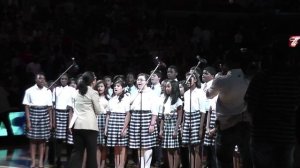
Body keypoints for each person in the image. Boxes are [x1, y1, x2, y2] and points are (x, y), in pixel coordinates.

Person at [246, 42, 300, 168]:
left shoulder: (260, 78)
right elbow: (296, 106)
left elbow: (250, 105)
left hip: (262, 135)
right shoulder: (294, 80)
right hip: (286, 135)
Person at [206, 48, 252, 168]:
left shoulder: (221, 79)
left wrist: (219, 75)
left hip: (226, 126)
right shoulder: (248, 78)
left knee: (224, 162)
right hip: (244, 124)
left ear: (226, 64)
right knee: (247, 160)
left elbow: (208, 95)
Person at [68, 71, 103, 168]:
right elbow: (98, 111)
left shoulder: (77, 91)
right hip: (90, 126)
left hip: (77, 125)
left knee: (77, 153)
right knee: (91, 154)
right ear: (92, 81)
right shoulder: (93, 92)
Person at [22, 72, 53, 168]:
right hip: (33, 114)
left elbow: (50, 108)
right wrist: (28, 121)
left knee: (42, 141)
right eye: (40, 78)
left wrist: (51, 121)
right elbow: (26, 106)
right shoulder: (29, 91)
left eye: (43, 78)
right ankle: (33, 162)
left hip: (44, 115)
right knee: (33, 141)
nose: (42, 80)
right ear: (36, 80)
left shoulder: (48, 91)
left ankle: (40, 162)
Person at [129, 73, 159, 168]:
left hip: (147, 118)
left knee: (147, 145)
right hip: (136, 119)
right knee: (139, 145)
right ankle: (142, 165)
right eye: (138, 80)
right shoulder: (135, 93)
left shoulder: (151, 93)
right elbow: (130, 105)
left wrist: (152, 124)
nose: (139, 81)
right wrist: (137, 93)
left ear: (147, 81)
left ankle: (147, 166)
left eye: (141, 80)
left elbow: (155, 110)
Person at [182, 71, 206, 168]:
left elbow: (203, 111)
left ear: (195, 80)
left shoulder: (200, 92)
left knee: (196, 148)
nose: (187, 81)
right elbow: (185, 110)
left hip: (196, 118)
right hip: (187, 118)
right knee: (189, 147)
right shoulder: (186, 93)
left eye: (190, 78)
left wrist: (200, 128)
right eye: (186, 79)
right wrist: (183, 124)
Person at [105, 79, 131, 168]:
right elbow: (108, 114)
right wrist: (106, 128)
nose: (116, 87)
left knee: (122, 147)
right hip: (112, 124)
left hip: (121, 123)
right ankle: (116, 165)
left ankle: (121, 166)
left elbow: (128, 114)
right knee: (115, 147)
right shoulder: (111, 99)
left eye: (118, 86)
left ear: (123, 88)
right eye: (115, 86)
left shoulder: (126, 98)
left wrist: (125, 128)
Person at [52, 73, 76, 167]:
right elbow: (53, 106)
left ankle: (69, 159)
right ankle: (58, 159)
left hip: (68, 114)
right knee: (59, 139)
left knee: (69, 139)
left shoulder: (72, 89)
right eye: (61, 79)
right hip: (58, 113)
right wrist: (53, 120)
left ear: (68, 80)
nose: (63, 80)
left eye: (65, 79)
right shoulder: (56, 89)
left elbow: (74, 102)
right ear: (59, 80)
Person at [159, 80, 183, 168]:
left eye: (169, 86)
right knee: (168, 149)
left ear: (174, 88)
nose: (167, 88)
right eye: (166, 87)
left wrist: (176, 130)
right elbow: (162, 116)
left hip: (174, 125)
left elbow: (179, 117)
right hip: (166, 126)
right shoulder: (165, 100)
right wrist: (161, 129)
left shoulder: (178, 100)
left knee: (175, 150)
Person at [201, 66, 218, 168]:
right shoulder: (204, 85)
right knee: (208, 147)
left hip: (214, 117)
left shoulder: (214, 88)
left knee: (214, 149)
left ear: (213, 76)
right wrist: (207, 127)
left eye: (206, 73)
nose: (203, 75)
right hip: (207, 115)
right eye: (203, 73)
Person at [94, 80, 109, 168]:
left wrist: (106, 127)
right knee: (97, 145)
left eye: (102, 86)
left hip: (104, 120)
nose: (100, 88)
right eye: (98, 86)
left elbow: (108, 113)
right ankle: (97, 165)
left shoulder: (108, 98)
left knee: (104, 145)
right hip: (95, 120)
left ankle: (102, 164)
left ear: (105, 87)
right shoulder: (94, 97)